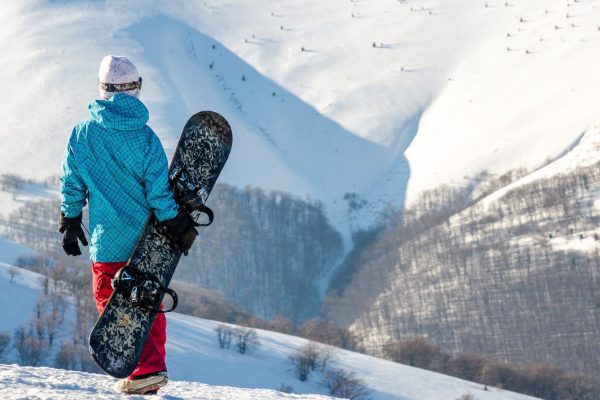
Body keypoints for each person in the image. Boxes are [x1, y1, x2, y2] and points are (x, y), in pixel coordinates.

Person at [59, 55, 197, 395]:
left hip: (107, 243)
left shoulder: (82, 134)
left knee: (113, 305)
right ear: (136, 89)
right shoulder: (146, 138)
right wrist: (177, 223)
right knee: (149, 299)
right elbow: (159, 194)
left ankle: (144, 371)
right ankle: (151, 369)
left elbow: (72, 183)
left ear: (103, 89)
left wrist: (70, 219)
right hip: (148, 242)